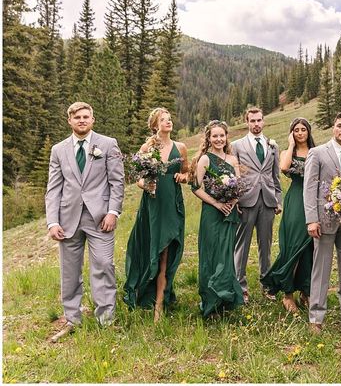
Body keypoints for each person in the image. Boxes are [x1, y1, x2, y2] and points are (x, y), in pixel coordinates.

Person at [45, 102, 124, 342]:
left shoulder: (108, 144)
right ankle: (72, 319)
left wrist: (113, 212)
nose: (82, 120)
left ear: (93, 119)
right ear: (69, 120)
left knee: (103, 265)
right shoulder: (58, 150)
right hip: (68, 219)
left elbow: (117, 182)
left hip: (100, 219)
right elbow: (54, 188)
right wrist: (52, 222)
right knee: (69, 272)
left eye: (86, 116)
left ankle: (106, 320)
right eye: (77, 117)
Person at [123, 108, 188, 322]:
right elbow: (138, 177)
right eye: (163, 119)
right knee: (155, 249)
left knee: (167, 252)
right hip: (152, 203)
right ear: (155, 125)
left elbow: (187, 173)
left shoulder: (181, 147)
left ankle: (160, 302)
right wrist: (146, 186)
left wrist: (182, 176)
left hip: (172, 203)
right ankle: (149, 292)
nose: (168, 121)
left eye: (170, 118)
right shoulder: (147, 147)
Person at [304, 113, 341, 334]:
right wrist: (311, 220)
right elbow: (310, 188)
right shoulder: (317, 153)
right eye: (339, 126)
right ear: (333, 128)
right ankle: (316, 317)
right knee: (322, 269)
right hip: (325, 221)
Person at [261, 118, 316, 313]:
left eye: (303, 130)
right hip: (295, 200)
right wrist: (291, 144)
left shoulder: (316, 152)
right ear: (291, 133)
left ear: (309, 132)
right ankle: (287, 294)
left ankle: (306, 291)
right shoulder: (287, 152)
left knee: (309, 248)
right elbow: (284, 168)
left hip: (314, 201)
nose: (300, 133)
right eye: (296, 130)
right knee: (293, 246)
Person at [190, 120, 244, 317]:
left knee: (226, 255)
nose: (219, 139)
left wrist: (233, 200)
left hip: (229, 213)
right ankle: (210, 302)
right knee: (211, 255)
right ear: (209, 138)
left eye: (222, 135)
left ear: (226, 137)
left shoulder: (232, 159)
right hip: (212, 213)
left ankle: (224, 300)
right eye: (215, 136)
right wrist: (216, 203)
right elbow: (195, 187)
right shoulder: (205, 159)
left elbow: (239, 186)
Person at [231, 107, 282, 303]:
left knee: (265, 244)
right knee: (241, 245)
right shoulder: (237, 145)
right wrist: (235, 199)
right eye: (252, 121)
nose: (256, 124)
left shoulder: (272, 145)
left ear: (264, 121)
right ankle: (241, 286)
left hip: (268, 200)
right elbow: (233, 176)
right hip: (245, 200)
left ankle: (266, 284)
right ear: (247, 122)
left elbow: (275, 175)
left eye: (259, 120)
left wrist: (278, 199)